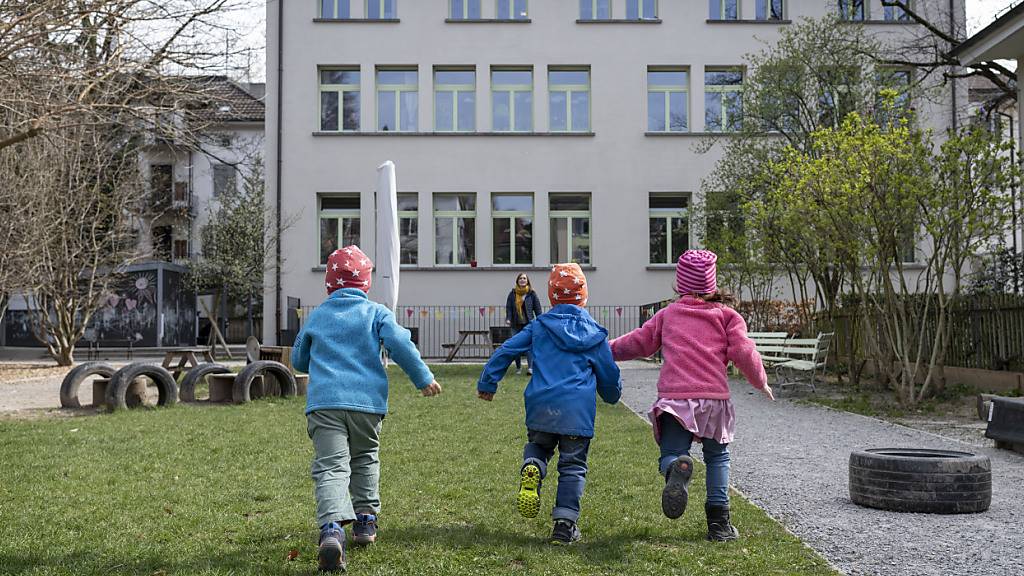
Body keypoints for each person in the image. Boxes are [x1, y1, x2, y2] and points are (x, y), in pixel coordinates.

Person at [291, 245, 442, 572]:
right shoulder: (377, 313)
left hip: (325, 405)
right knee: (364, 459)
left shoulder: (317, 316)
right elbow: (401, 344)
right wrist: (423, 378)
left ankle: (332, 529)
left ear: (329, 283)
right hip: (367, 405)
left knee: (331, 467)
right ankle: (365, 522)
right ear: (366, 283)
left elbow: (298, 360)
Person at [608, 250, 774, 542]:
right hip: (714, 400)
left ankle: (675, 467)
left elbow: (638, 342)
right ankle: (719, 525)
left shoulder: (668, 314)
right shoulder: (727, 316)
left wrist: (605, 350)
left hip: (676, 400)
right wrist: (760, 381)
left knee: (671, 452)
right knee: (718, 458)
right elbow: (744, 351)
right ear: (712, 283)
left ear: (679, 284)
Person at [478, 263, 621, 545]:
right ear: (584, 295)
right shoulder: (594, 334)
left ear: (552, 296)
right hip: (576, 412)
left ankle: (533, 464)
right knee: (572, 467)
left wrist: (488, 383)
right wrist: (612, 394)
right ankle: (564, 526)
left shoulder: (539, 326)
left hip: (541, 405)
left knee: (540, 446)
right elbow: (609, 373)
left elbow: (507, 349)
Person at [504, 272, 543, 375]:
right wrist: (508, 318)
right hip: (515, 324)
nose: (522, 280)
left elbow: (537, 308)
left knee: (529, 346)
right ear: (517, 281)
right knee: (516, 346)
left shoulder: (531, 293)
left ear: (527, 281)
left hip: (528, 324)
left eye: (524, 278)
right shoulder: (512, 294)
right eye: (520, 278)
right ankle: (518, 368)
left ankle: (530, 368)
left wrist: (540, 319)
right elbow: (508, 308)